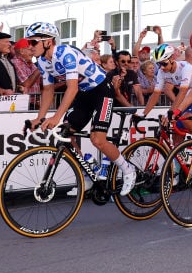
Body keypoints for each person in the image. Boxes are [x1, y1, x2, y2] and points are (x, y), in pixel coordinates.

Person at [26, 21, 137, 195]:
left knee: (97, 140)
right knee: (65, 134)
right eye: (28, 42)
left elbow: (72, 88)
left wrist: (55, 117)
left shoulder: (65, 54)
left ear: (48, 42)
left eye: (33, 42)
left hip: (101, 90)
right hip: (85, 93)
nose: (29, 46)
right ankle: (86, 174)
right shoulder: (42, 61)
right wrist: (40, 118)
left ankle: (128, 169)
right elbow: (47, 90)